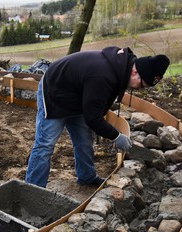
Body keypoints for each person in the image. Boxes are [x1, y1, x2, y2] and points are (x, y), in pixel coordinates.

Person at [25, 46, 170, 188]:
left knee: (85, 140)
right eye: (142, 85)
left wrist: (101, 126)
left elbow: (101, 104)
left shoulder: (121, 69)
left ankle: (87, 177)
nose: (140, 88)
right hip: (55, 92)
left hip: (77, 95)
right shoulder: (103, 75)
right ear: (134, 72)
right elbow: (92, 118)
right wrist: (116, 136)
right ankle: (32, 189)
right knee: (46, 145)